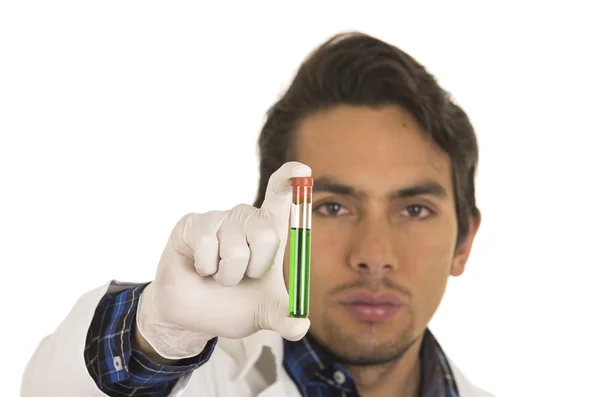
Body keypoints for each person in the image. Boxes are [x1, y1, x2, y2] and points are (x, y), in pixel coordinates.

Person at [21, 31, 495, 397]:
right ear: (271, 226)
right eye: (330, 207)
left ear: (464, 242)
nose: (374, 255)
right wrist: (156, 336)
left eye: (414, 209)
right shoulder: (205, 381)